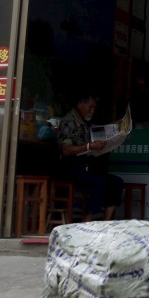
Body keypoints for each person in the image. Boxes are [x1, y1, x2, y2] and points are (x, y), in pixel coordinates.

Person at [57, 91, 124, 222]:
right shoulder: (68, 122)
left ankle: (106, 222)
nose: (92, 111)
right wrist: (90, 147)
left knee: (116, 182)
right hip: (71, 167)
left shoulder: (86, 122)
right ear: (80, 104)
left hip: (86, 166)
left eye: (94, 107)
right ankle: (88, 221)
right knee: (99, 183)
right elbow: (66, 150)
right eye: (90, 107)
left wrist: (115, 129)